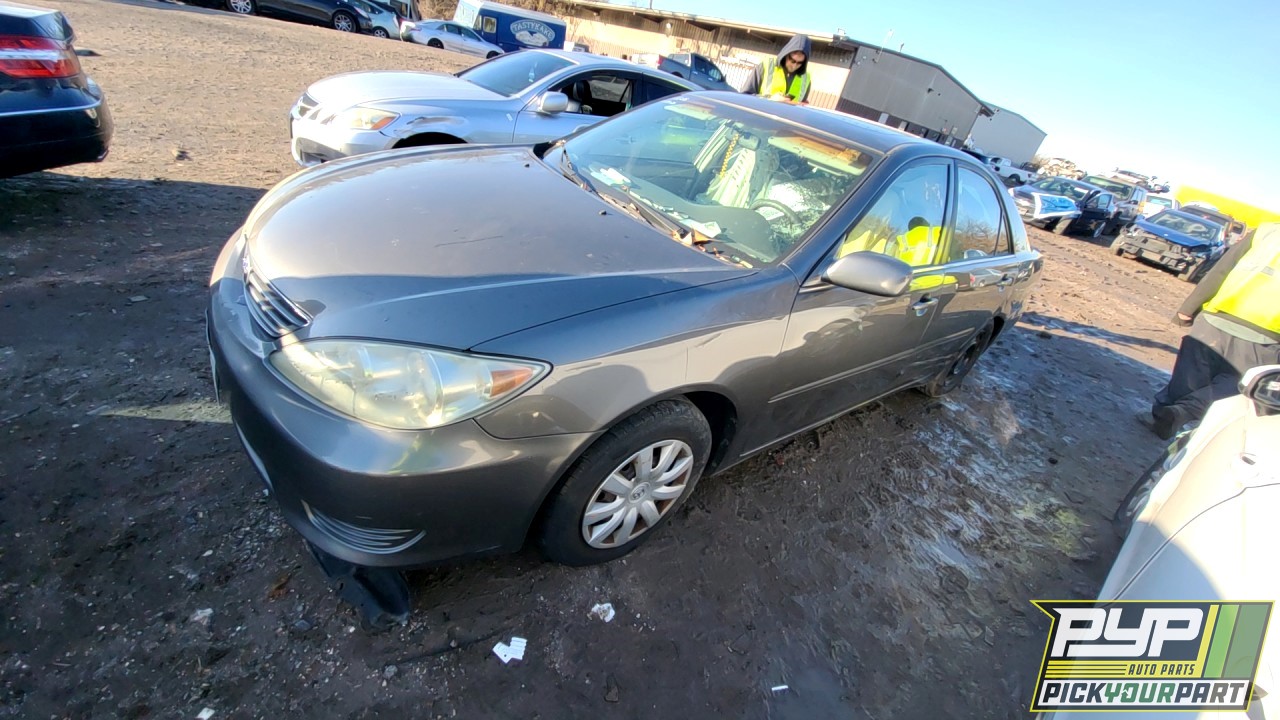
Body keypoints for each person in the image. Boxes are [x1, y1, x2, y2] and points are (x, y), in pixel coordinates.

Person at [1144, 222, 1280, 439]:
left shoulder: (1267, 232)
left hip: (1217, 315)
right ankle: (1182, 412)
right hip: (1266, 334)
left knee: (1189, 374)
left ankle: (1161, 416)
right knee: (1235, 386)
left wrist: (1189, 308)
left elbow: (1222, 269)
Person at [740, 33, 812, 104]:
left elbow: (801, 105)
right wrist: (770, 99)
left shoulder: (806, 78)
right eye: (792, 61)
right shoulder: (766, 65)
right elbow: (745, 97)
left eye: (800, 63)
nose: (794, 65)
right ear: (786, 54)